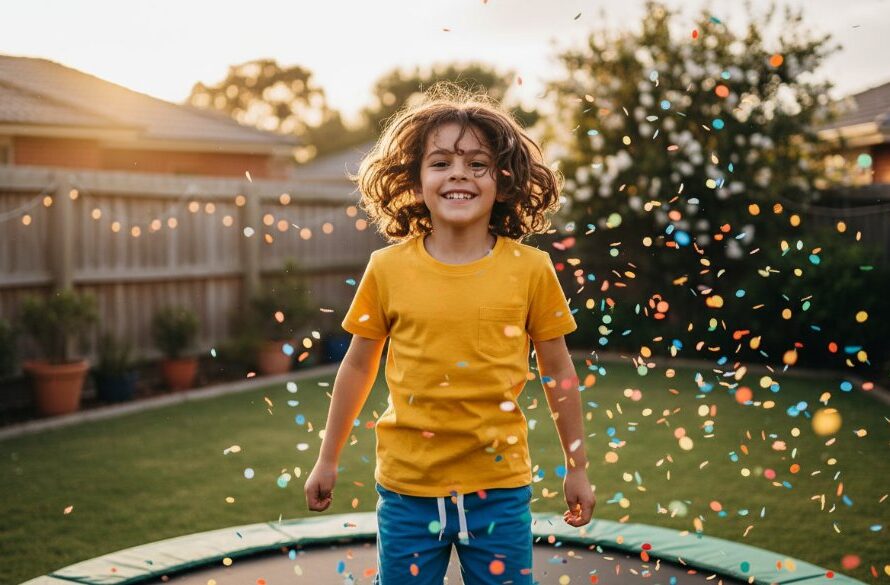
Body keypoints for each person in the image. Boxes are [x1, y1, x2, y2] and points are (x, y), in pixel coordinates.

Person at [304, 82, 595, 585]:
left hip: (499, 491)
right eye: (440, 163)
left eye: (477, 164)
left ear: (502, 182)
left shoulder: (532, 270)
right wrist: (327, 458)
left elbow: (558, 371)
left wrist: (578, 466)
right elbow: (356, 365)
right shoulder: (387, 268)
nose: (458, 173)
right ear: (416, 181)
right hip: (408, 491)